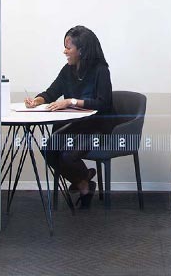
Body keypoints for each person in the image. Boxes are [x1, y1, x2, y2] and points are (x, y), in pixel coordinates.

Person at [25, 25, 113, 209]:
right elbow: (51, 93)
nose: (64, 51)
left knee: (67, 156)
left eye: (68, 47)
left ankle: (84, 182)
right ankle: (84, 183)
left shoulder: (101, 70)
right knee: (49, 151)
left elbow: (103, 103)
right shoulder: (67, 70)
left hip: (96, 128)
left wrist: (71, 102)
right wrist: (37, 100)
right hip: (72, 127)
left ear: (81, 50)